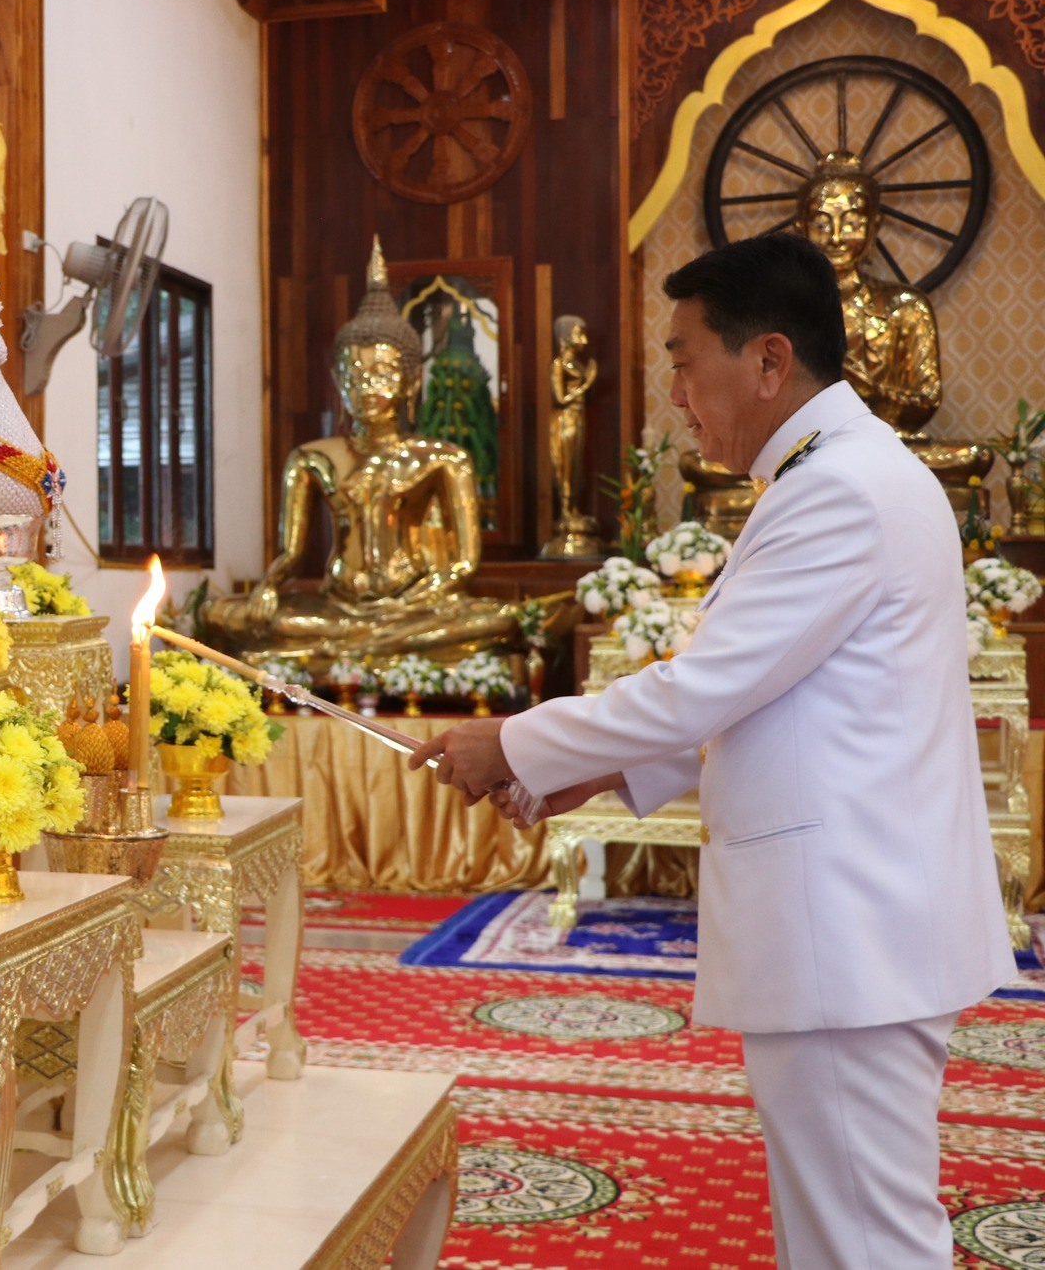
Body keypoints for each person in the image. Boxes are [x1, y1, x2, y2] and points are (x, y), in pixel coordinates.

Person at [410, 232, 1012, 1269]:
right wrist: (593, 769)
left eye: (685, 362)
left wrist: (508, 739)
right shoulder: (840, 473)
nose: (676, 395)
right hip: (856, 925)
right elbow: (774, 696)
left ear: (768, 360)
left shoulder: (842, 489)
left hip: (846, 931)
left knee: (862, 1240)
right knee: (843, 1230)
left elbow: (705, 685)